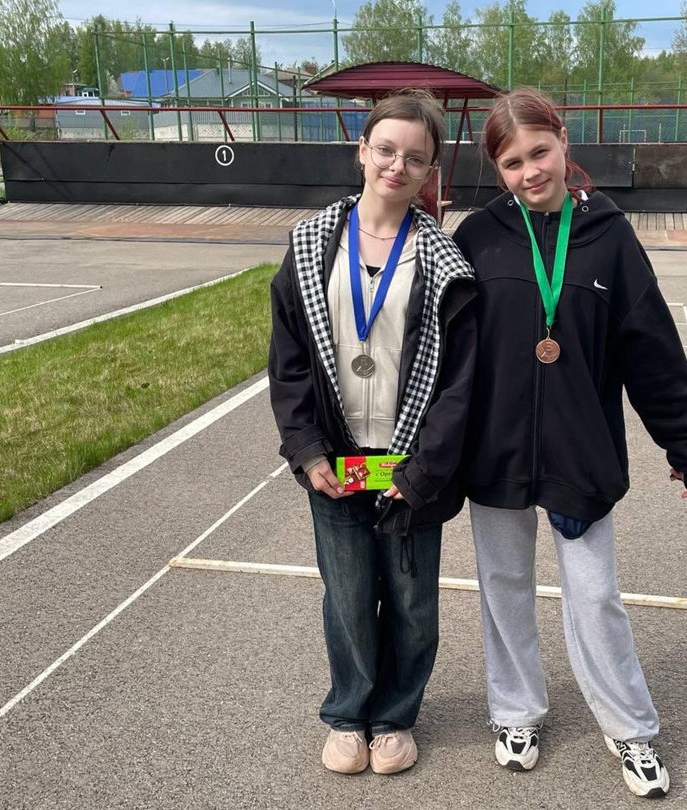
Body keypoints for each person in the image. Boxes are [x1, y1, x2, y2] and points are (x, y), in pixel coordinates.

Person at [451, 88, 687, 799]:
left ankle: (630, 727)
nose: (530, 172)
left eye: (539, 152)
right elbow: (442, 352)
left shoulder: (609, 236)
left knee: (595, 597)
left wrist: (683, 443)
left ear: (564, 142)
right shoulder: (477, 237)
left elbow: (650, 351)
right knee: (503, 587)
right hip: (495, 452)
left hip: (580, 453)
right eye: (512, 163)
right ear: (497, 170)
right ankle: (516, 713)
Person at [268, 90, 477, 776]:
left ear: (430, 170)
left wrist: (426, 470)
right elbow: (289, 362)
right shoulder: (309, 245)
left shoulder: (444, 263)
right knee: (349, 595)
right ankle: (348, 713)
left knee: (412, 601)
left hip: (411, 461)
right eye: (385, 149)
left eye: (415, 157)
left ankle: (394, 717)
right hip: (336, 458)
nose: (397, 165)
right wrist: (305, 449)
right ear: (361, 151)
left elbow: (460, 384)